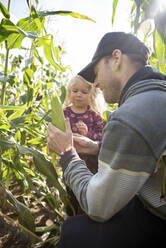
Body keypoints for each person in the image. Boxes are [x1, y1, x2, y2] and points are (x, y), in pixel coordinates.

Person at [47, 32, 166, 248]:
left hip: (159, 218)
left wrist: (66, 154)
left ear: (116, 58)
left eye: (96, 72)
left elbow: (97, 207)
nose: (96, 83)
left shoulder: (130, 116)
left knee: (73, 233)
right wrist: (97, 148)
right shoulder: (156, 96)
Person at [63, 75, 104, 215]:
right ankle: (71, 214)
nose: (79, 95)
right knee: (71, 188)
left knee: (88, 187)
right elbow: (59, 131)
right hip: (71, 157)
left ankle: (85, 214)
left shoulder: (94, 115)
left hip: (91, 161)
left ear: (91, 95)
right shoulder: (65, 113)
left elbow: (102, 135)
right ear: (69, 92)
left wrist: (87, 134)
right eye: (75, 91)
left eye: (84, 92)